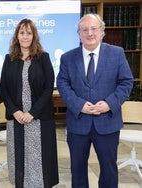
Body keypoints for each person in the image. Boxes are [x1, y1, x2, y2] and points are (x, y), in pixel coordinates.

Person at [57, 14, 133, 188]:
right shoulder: (68, 58)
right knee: (77, 169)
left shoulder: (117, 53)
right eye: (84, 30)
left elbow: (126, 82)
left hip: (107, 123)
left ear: (102, 31)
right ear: (79, 33)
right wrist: (79, 105)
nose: (89, 33)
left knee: (108, 169)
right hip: (78, 124)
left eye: (94, 29)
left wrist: (109, 103)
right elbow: (62, 83)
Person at [0, 18, 59, 188]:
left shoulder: (43, 58)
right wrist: (16, 112)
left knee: (38, 160)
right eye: (22, 32)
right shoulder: (9, 59)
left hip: (38, 118)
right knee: (18, 157)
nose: (25, 36)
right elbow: (3, 88)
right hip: (17, 118)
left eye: (29, 33)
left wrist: (32, 113)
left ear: (34, 36)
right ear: (17, 36)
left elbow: (49, 88)